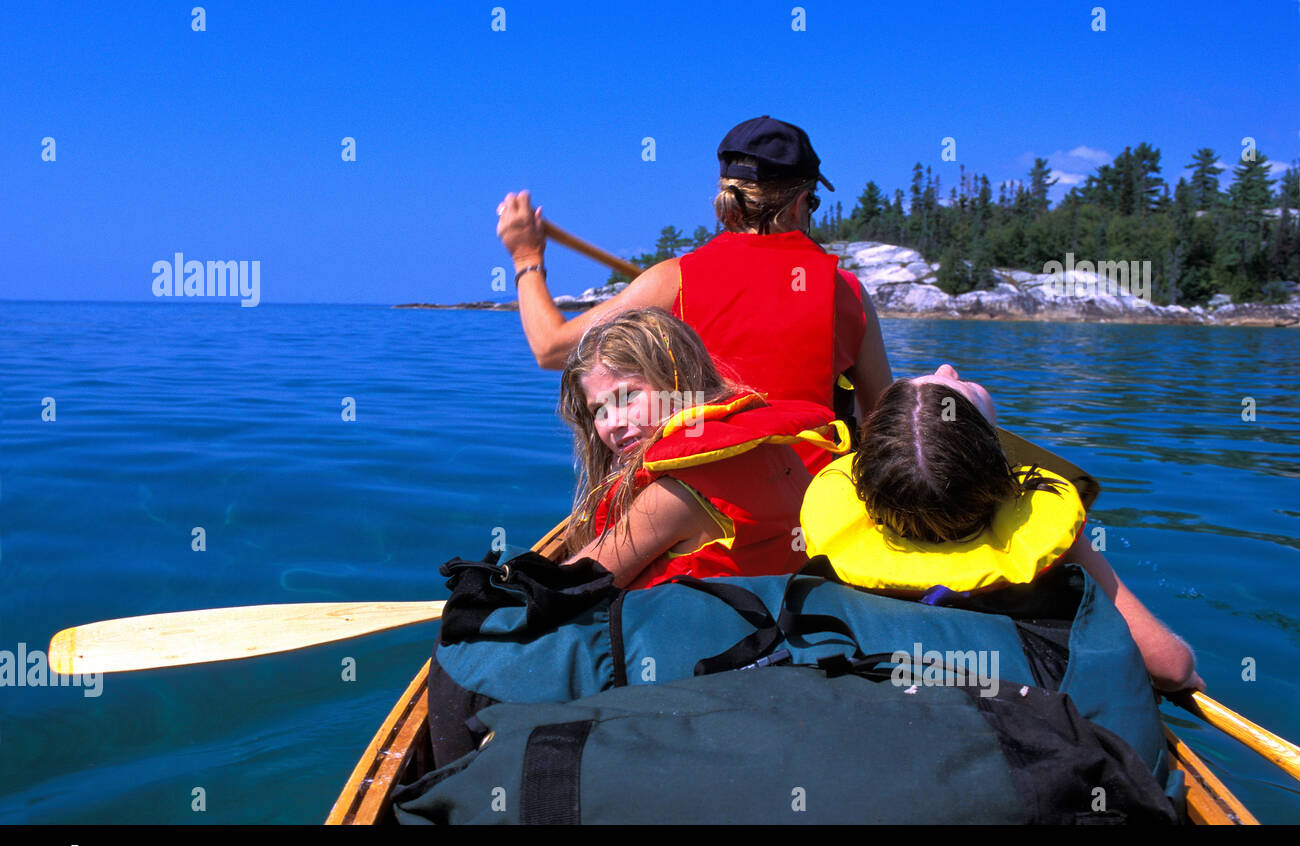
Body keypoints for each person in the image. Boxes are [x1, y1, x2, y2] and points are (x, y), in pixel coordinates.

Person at [497, 116, 891, 466]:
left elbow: (550, 348)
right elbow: (884, 421)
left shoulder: (674, 280)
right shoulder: (847, 292)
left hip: (701, 500)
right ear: (800, 203)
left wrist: (525, 257)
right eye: (813, 204)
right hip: (807, 506)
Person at [800, 364, 1205, 694]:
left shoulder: (831, 541)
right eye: (966, 389)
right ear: (992, 457)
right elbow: (1170, 668)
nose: (948, 367)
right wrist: (1187, 678)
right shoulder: (1047, 537)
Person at [558, 309, 847, 590]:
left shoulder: (673, 496)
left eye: (628, 395)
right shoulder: (766, 450)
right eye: (599, 410)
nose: (614, 423)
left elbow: (570, 591)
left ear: (680, 382)